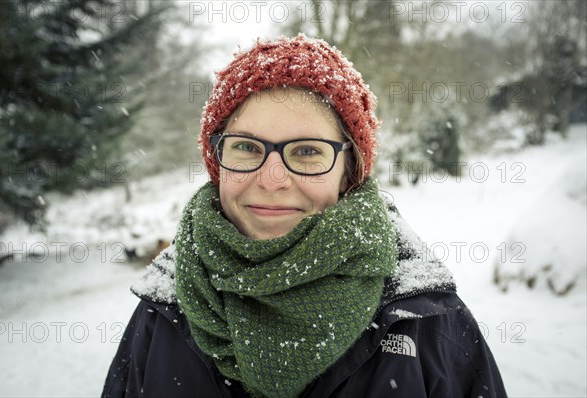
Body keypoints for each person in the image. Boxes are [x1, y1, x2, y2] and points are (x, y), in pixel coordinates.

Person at [102, 34, 507, 398]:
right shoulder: (163, 311)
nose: (273, 179)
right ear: (217, 160)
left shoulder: (427, 320)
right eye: (246, 148)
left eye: (308, 151)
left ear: (348, 171)